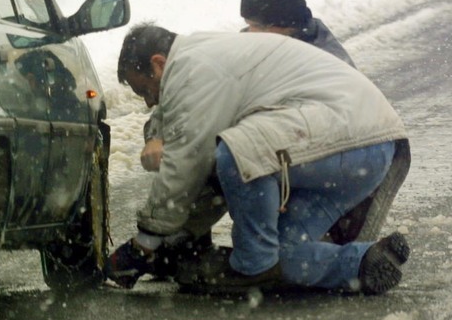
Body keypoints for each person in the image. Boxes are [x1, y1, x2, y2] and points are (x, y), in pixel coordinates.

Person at [108, 23, 411, 295]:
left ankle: (252, 265)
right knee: (284, 254)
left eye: (145, 89)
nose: (149, 102)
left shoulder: (194, 68)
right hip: (372, 152)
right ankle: (362, 263)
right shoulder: (201, 56)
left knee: (238, 152)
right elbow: (171, 117)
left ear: (157, 64)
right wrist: (155, 138)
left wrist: (146, 241)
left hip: (348, 139)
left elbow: (188, 159)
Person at [139, 0, 352, 174]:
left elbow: (337, 129)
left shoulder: (329, 63)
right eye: (248, 23)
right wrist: (155, 136)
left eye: (258, 26)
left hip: (331, 164)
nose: (250, 32)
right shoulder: (249, 44)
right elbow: (184, 95)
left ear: (288, 25)